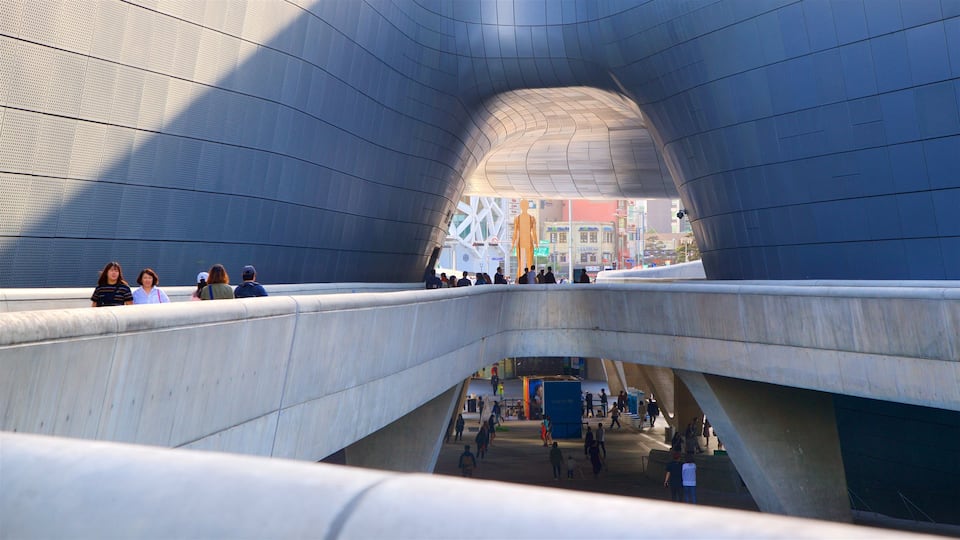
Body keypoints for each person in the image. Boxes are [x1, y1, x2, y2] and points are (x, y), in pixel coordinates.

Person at [512, 198, 537, 282]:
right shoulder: (517, 219)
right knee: (521, 263)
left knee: (529, 262)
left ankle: (525, 279)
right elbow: (515, 232)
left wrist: (536, 242)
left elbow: (534, 232)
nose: (524, 207)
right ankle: (520, 279)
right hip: (521, 242)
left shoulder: (531, 218)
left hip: (528, 242)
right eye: (523, 205)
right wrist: (513, 244)